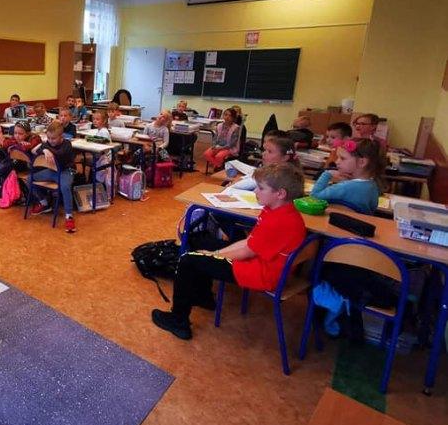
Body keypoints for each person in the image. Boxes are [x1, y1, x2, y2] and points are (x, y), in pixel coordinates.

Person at [152, 163, 306, 340]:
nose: (255, 191)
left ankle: (179, 321)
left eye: (261, 188)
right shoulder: (276, 209)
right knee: (198, 241)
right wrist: (215, 253)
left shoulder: (279, 221)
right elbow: (249, 243)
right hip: (260, 262)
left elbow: (247, 251)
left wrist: (214, 255)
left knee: (188, 260)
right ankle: (203, 296)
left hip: (261, 273)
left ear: (280, 194)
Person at [311, 137, 383, 214]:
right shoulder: (373, 186)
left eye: (342, 158)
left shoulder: (345, 187)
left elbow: (314, 197)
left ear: (362, 162)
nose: (337, 162)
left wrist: (327, 174)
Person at [30, 120, 78, 233]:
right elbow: (35, 150)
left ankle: (69, 216)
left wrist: (45, 149)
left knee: (65, 187)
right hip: (52, 171)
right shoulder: (48, 143)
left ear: (61, 137)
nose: (50, 141)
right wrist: (44, 149)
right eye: (49, 138)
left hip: (66, 171)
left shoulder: (67, 144)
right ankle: (44, 203)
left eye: (54, 138)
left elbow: (59, 154)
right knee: (30, 179)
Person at [227, 132, 299, 191]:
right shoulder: (269, 171)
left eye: (270, 151)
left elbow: (237, 186)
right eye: (265, 150)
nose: (263, 153)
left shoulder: (278, 177)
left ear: (285, 157)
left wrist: (233, 185)